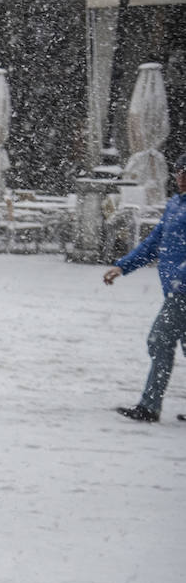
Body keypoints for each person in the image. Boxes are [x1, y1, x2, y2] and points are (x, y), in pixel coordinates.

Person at [104, 152, 186, 424]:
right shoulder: (175, 205)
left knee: (159, 340)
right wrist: (123, 266)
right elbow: (154, 243)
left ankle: (150, 406)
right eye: (179, 171)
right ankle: (149, 406)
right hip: (175, 288)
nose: (182, 177)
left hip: (182, 290)